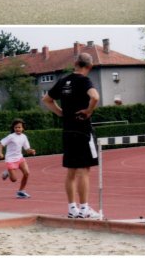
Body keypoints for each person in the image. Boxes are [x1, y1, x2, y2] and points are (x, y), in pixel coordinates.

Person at [42, 52, 102, 220]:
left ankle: (72, 208)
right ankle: (84, 209)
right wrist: (89, 111)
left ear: (75, 63)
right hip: (82, 129)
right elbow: (95, 97)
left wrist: (61, 113)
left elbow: (46, 99)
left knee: (71, 171)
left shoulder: (62, 81)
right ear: (89, 67)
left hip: (67, 130)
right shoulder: (84, 81)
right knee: (84, 170)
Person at [0, 119, 36, 199]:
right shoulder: (11, 136)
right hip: (10, 159)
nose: (18, 129)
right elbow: (1, 144)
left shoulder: (24, 137)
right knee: (14, 179)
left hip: (19, 158)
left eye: (19, 127)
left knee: (27, 173)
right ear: (13, 128)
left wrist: (31, 151)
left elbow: (27, 149)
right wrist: (0, 153)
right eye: (16, 127)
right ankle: (7, 172)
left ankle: (21, 191)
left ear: (23, 128)